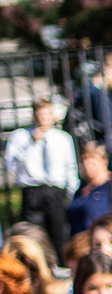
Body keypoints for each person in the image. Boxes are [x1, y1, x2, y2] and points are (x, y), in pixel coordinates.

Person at [5, 96, 79, 257]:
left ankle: (61, 264)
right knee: (33, 232)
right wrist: (30, 143)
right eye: (40, 115)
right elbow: (11, 165)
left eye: (47, 115)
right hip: (32, 189)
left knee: (58, 231)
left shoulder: (63, 138)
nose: (44, 119)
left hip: (55, 189)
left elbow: (70, 166)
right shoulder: (20, 137)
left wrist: (71, 190)